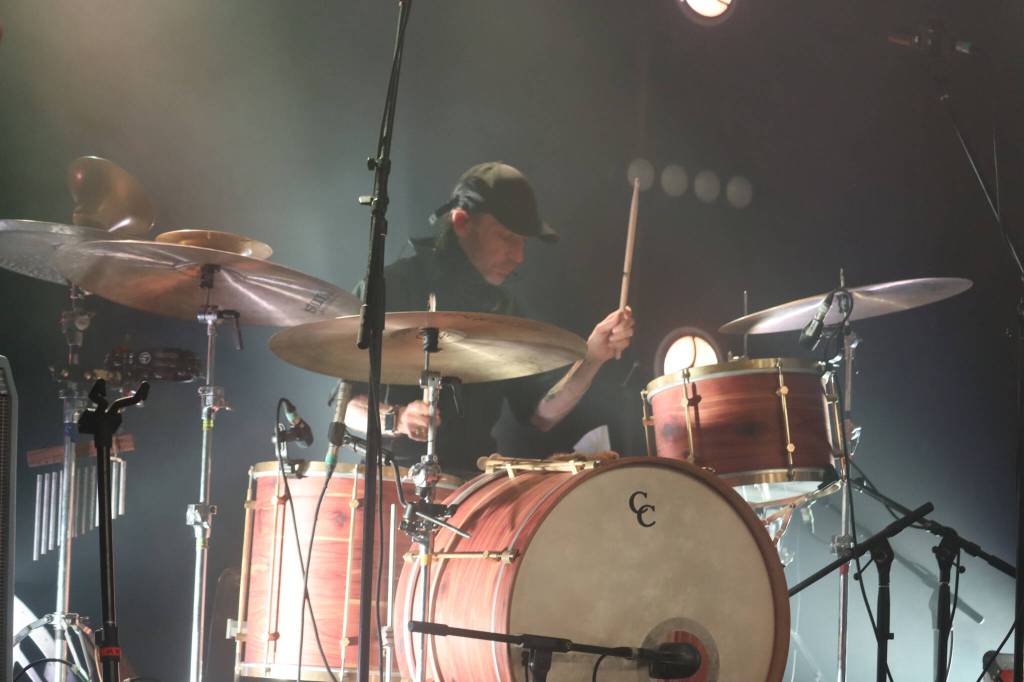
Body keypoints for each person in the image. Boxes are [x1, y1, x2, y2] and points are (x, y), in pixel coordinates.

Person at [346, 161, 634, 479]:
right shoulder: (393, 286)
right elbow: (345, 409)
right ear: (462, 223)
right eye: (507, 237)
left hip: (476, 488)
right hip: (393, 481)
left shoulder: (503, 307)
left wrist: (592, 357)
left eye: (523, 241)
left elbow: (541, 415)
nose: (519, 256)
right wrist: (396, 419)